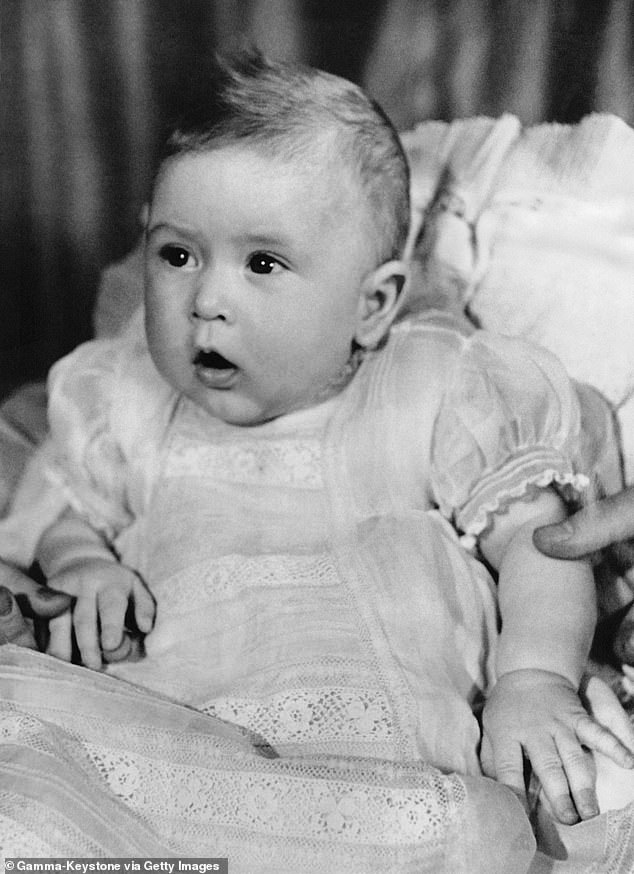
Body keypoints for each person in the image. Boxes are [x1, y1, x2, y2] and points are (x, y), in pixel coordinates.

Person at [0, 52, 632, 867]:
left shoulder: (433, 383)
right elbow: (68, 503)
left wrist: (535, 676)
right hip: (165, 736)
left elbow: (537, 545)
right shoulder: (125, 397)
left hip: (370, 761)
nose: (206, 300)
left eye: (262, 263)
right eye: (176, 254)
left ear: (372, 304)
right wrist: (82, 561)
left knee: (444, 838)